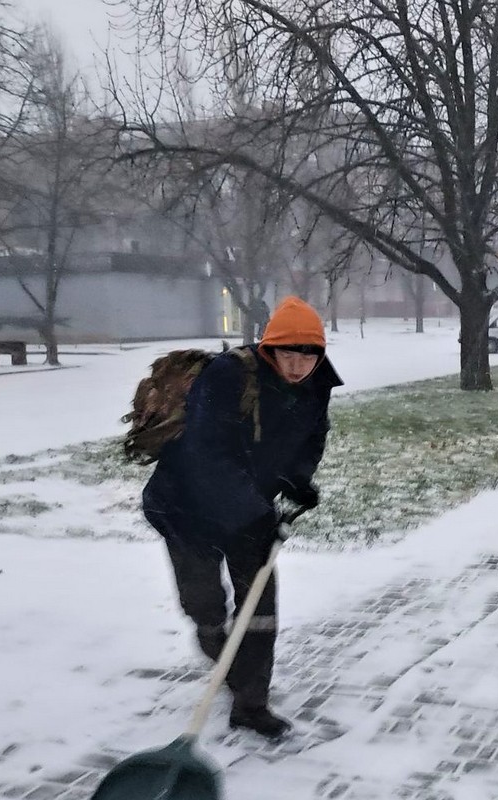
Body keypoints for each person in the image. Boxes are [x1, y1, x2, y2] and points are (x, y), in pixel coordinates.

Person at [142, 296, 342, 739]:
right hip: (185, 508)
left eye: (307, 355)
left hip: (249, 510)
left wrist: (297, 481)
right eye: (288, 354)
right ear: (269, 350)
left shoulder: (315, 384)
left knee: (259, 611)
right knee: (206, 608)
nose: (297, 366)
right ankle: (226, 663)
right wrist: (255, 512)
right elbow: (206, 454)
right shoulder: (228, 375)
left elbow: (311, 438)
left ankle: (251, 704)